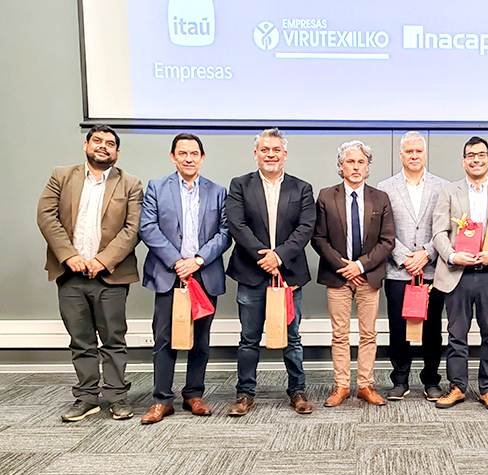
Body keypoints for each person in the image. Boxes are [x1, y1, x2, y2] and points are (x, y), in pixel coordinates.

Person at [37, 125, 143, 421]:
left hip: (111, 275)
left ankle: (117, 396)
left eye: (110, 143)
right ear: (86, 145)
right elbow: (46, 216)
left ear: (117, 153)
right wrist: (69, 255)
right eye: (97, 140)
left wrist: (103, 260)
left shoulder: (130, 183)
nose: (103, 146)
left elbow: (133, 228)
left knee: (113, 339)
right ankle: (86, 397)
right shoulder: (61, 176)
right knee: (81, 339)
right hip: (70, 274)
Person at [138, 133, 230, 424]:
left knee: (200, 340)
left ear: (202, 158)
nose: (188, 159)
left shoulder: (218, 192)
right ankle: (162, 399)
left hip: (204, 274)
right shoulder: (156, 187)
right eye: (182, 153)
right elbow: (147, 227)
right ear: (173, 156)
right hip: (170, 274)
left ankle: (194, 394)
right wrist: (177, 262)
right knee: (164, 338)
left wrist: (198, 260)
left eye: (194, 154)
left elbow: (225, 232)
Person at [226, 128, 316, 415]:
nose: (270, 155)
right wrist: (264, 257)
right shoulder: (240, 185)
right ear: (256, 154)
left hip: (288, 274)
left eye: (276, 150)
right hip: (251, 273)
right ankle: (245, 393)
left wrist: (279, 256)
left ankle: (297, 391)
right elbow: (237, 225)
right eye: (265, 149)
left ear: (284, 154)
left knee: (293, 338)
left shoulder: (302, 188)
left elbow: (306, 228)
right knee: (249, 339)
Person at [431, 136, 488, 411]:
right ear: (463, 160)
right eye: (471, 155)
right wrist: (452, 255)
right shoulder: (448, 191)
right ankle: (457, 387)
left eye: (481, 155)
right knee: (456, 333)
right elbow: (438, 232)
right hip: (457, 272)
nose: (476, 160)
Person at [311, 140, 395, 407]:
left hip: (368, 276)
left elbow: (387, 241)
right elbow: (319, 239)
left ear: (367, 167)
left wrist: (359, 266)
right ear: (341, 166)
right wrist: (345, 267)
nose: (356, 167)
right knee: (340, 334)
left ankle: (365, 385)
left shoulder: (380, 198)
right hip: (337, 276)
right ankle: (342, 386)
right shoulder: (326, 196)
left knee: (369, 334)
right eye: (350, 162)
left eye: (361, 162)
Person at [377, 131, 448, 401]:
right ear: (401, 155)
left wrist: (426, 254)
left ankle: (431, 380)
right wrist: (406, 257)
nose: (414, 155)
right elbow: (383, 229)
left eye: (419, 151)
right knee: (398, 328)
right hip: (399, 270)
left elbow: (446, 229)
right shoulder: (385, 187)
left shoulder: (443, 187)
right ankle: (400, 379)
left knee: (432, 329)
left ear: (425, 154)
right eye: (409, 151)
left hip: (432, 270)